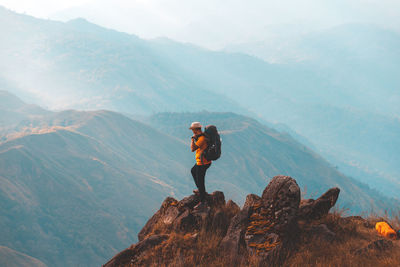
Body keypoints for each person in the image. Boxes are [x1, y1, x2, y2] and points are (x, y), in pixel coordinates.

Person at [189, 122, 211, 210]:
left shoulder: (201, 138)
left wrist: (192, 140)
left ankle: (203, 202)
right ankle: (200, 190)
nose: (192, 131)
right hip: (202, 162)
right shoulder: (201, 137)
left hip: (202, 163)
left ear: (195, 130)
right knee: (193, 171)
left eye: (193, 130)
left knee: (200, 181)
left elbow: (192, 149)